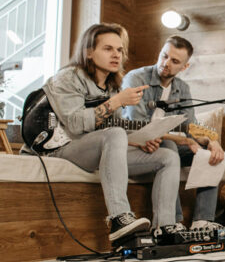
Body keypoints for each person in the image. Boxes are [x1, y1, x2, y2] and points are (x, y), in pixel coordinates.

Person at [40, 23, 180, 242]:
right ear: (88, 52)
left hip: (94, 147)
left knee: (168, 157)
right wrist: (116, 102)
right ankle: (118, 218)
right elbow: (75, 124)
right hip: (60, 147)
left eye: (119, 50)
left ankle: (164, 228)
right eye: (108, 49)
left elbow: (112, 128)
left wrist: (139, 141)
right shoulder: (68, 78)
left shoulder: (112, 86)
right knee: (114, 134)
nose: (116, 54)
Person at [121, 36, 225, 233]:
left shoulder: (182, 88)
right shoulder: (136, 79)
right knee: (169, 146)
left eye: (174, 61)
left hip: (163, 143)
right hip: (136, 144)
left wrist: (212, 140)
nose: (166, 63)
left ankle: (202, 222)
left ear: (184, 67)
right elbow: (139, 126)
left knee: (213, 154)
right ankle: (174, 221)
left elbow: (191, 126)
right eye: (164, 56)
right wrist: (182, 139)